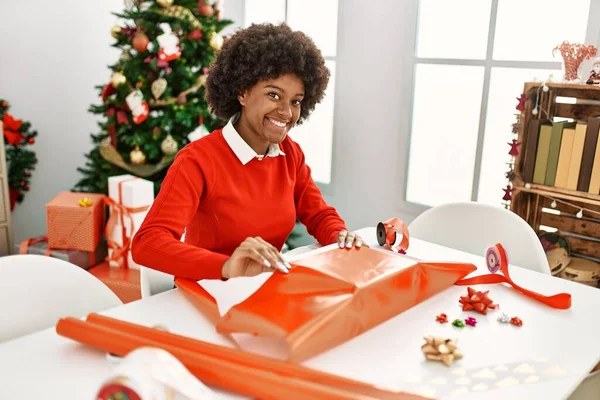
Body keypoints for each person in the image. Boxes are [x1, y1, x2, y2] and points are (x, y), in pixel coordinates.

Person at [131, 23, 364, 281]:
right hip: (208, 291)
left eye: (295, 101)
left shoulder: (290, 154)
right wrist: (227, 267)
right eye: (274, 95)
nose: (287, 113)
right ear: (242, 92)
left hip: (263, 289)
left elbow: (319, 214)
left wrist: (339, 234)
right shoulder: (198, 159)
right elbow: (147, 243)